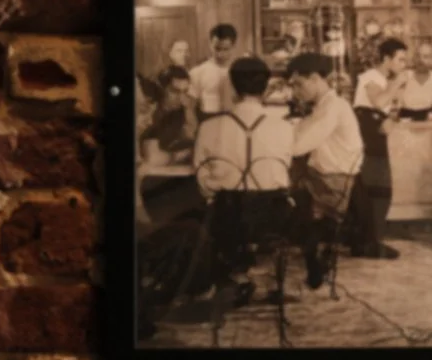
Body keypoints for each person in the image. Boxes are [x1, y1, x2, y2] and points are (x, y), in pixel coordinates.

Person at [194, 56, 295, 305]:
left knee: (204, 209)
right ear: (267, 85)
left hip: (227, 216)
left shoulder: (209, 126)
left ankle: (233, 277)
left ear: (232, 85)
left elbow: (201, 175)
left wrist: (215, 195)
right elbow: (284, 169)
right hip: (273, 216)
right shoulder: (284, 127)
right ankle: (265, 278)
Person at [289, 52, 364, 286]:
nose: (295, 92)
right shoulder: (325, 105)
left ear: (314, 78)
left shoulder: (332, 108)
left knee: (274, 192)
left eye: (298, 85)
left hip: (331, 182)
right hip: (325, 176)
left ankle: (312, 258)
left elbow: (299, 145)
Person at [350, 37, 408, 259]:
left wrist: (395, 105)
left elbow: (390, 113)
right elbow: (377, 102)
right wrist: (396, 84)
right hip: (365, 130)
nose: (404, 65)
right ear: (387, 59)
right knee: (372, 188)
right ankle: (369, 243)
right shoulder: (370, 77)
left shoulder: (388, 81)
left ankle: (371, 240)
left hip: (376, 131)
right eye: (400, 60)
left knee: (380, 188)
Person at [139, 65, 197, 164]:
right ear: (161, 89)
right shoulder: (148, 112)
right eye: (175, 91)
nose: (181, 98)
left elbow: (191, 137)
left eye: (185, 91)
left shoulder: (182, 110)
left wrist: (189, 111)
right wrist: (187, 153)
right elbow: (153, 159)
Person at [397, 39, 432, 120]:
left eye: (426, 57)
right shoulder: (403, 77)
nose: (421, 60)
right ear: (414, 58)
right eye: (418, 56)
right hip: (405, 123)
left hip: (430, 124)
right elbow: (393, 107)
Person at [190, 23, 238, 116]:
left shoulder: (239, 72)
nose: (220, 54)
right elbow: (190, 107)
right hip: (207, 120)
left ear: (234, 46)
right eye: (217, 48)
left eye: (226, 49)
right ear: (210, 44)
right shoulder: (197, 72)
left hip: (233, 121)